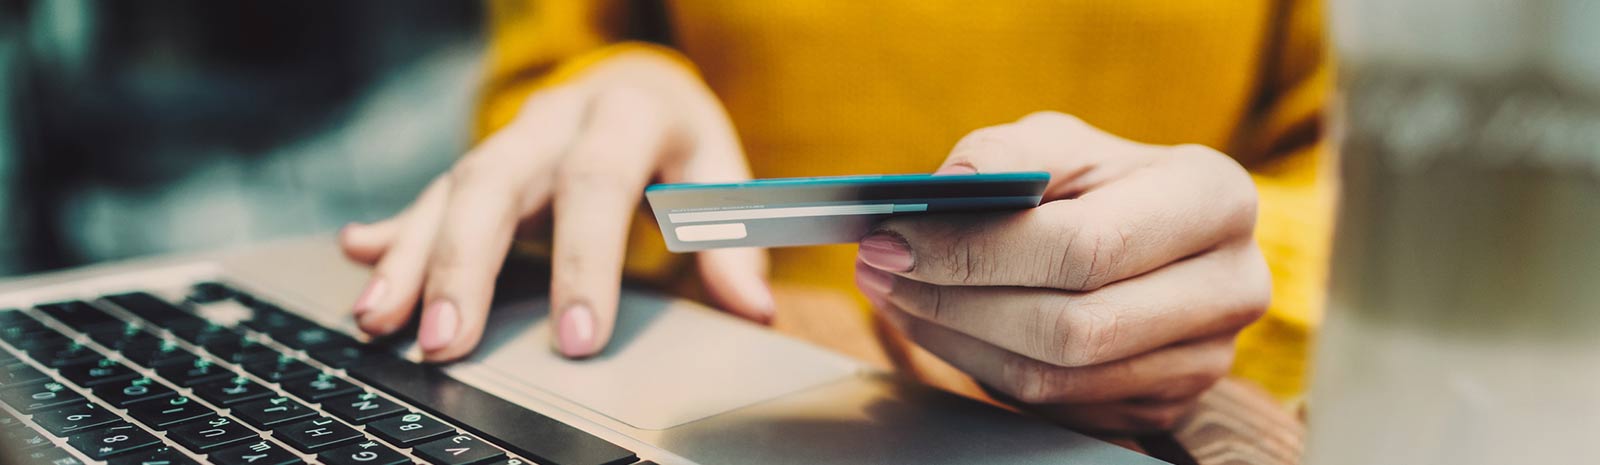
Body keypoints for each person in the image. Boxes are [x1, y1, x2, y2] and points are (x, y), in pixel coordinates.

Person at [338, 0, 1333, 433]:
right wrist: (612, 94)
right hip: (684, 380)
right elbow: (535, 91)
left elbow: (1387, 193)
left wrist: (1218, 285)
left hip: (1139, 417)